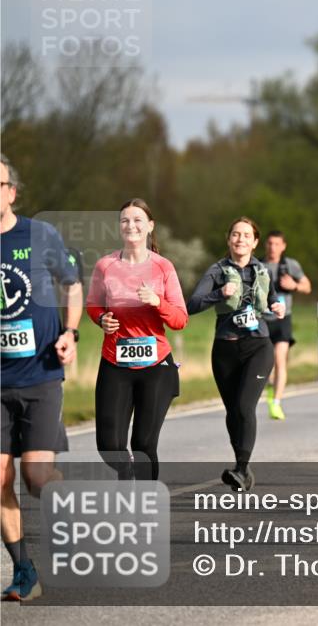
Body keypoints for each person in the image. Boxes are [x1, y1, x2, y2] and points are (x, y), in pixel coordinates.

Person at [1, 154, 82, 601]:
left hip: (41, 375)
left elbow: (71, 283)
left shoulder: (39, 235)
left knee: (35, 476)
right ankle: (23, 570)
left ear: (12, 191)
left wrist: (70, 332)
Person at [87, 199, 187, 481]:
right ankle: (127, 471)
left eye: (138, 220)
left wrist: (157, 302)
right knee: (109, 446)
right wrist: (101, 319)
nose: (131, 225)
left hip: (156, 366)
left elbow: (180, 319)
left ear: (150, 226)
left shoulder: (163, 267)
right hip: (114, 362)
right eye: (125, 220)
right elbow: (93, 305)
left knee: (143, 444)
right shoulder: (105, 265)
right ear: (119, 227)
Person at [187, 217, 285, 492]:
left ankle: (241, 469)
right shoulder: (217, 271)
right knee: (233, 412)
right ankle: (242, 467)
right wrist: (218, 293)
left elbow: (273, 298)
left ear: (255, 242)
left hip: (259, 346)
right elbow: (192, 304)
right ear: (228, 239)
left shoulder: (263, 271)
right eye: (235, 235)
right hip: (225, 348)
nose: (240, 239)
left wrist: (277, 306)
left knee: (244, 406)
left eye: (246, 235)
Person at [262, 231, 311, 420]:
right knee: (265, 363)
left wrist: (294, 286)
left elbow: (307, 286)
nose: (272, 247)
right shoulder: (257, 264)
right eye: (270, 244)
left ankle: (276, 403)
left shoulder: (290, 265)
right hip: (262, 320)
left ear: (283, 246)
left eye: (276, 244)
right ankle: (269, 387)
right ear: (265, 245)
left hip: (283, 320)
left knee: (280, 360)